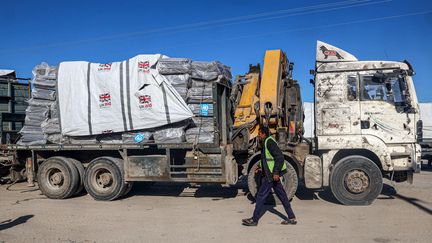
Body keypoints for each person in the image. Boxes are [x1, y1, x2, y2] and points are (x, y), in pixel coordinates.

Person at [242, 126, 297, 226]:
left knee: (260, 196)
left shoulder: (269, 142)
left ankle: (254, 220)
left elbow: (279, 157)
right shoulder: (266, 142)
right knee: (283, 196)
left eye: (259, 133)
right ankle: (292, 217)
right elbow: (267, 158)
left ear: (264, 134)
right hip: (271, 174)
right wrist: (259, 166)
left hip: (270, 175)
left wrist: (276, 172)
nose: (258, 136)